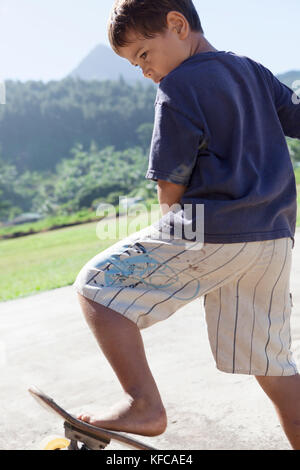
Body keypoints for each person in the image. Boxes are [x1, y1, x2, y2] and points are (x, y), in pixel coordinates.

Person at [72, 0, 300, 449]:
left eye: (142, 55)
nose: (144, 71)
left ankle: (144, 406)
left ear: (177, 25)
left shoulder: (179, 85)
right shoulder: (252, 70)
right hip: (273, 237)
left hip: (211, 229)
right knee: (272, 363)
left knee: (97, 287)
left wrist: (169, 234)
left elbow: (169, 183)